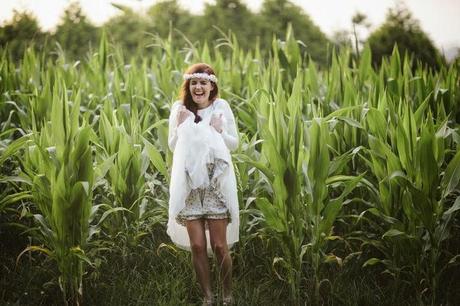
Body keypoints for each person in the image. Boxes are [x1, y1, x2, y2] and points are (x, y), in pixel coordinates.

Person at [167, 63, 239, 305]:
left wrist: (220, 130)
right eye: (194, 83)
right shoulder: (179, 108)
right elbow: (172, 146)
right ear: (189, 86)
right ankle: (208, 297)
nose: (198, 87)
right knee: (197, 245)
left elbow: (233, 144)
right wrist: (180, 125)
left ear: (211, 86)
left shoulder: (220, 107)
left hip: (215, 181)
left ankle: (227, 294)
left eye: (203, 83)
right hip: (188, 182)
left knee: (219, 245)